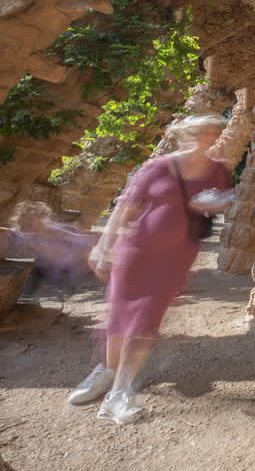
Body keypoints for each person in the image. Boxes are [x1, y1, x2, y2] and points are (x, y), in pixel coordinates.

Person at [66, 114, 233, 424]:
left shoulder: (218, 171)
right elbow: (126, 206)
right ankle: (105, 371)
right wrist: (104, 245)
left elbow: (223, 200)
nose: (204, 136)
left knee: (145, 320)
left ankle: (119, 392)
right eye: (198, 131)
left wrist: (214, 204)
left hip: (177, 255)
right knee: (119, 316)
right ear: (182, 134)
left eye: (210, 131)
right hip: (136, 251)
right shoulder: (158, 167)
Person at [1, 201, 97, 299]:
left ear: (42, 218)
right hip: (32, 269)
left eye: (31, 220)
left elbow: (81, 240)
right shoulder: (17, 233)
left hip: (56, 270)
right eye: (24, 220)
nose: (27, 223)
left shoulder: (54, 232)